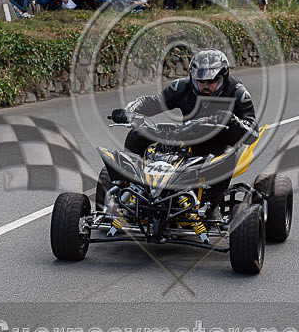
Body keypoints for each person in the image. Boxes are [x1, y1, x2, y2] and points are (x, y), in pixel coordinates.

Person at [109, 48, 258, 212]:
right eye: (200, 81)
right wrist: (129, 112)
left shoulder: (238, 93)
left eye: (211, 81)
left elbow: (252, 133)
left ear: (223, 77)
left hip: (219, 141)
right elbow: (153, 102)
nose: (205, 86)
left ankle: (210, 206)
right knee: (137, 136)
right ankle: (130, 190)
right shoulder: (181, 86)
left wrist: (232, 120)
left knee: (226, 154)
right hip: (186, 136)